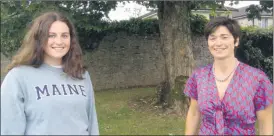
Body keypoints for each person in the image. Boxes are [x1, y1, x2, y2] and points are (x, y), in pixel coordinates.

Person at [1, 11, 99, 135]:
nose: (59, 41)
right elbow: (9, 129)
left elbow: (92, 124)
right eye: (51, 35)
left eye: (64, 35)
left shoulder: (81, 75)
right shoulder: (18, 77)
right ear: (39, 39)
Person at [184, 17, 273, 135]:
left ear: (236, 41)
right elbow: (194, 113)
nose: (218, 43)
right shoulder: (199, 76)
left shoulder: (257, 79)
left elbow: (265, 123)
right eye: (212, 38)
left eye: (224, 37)